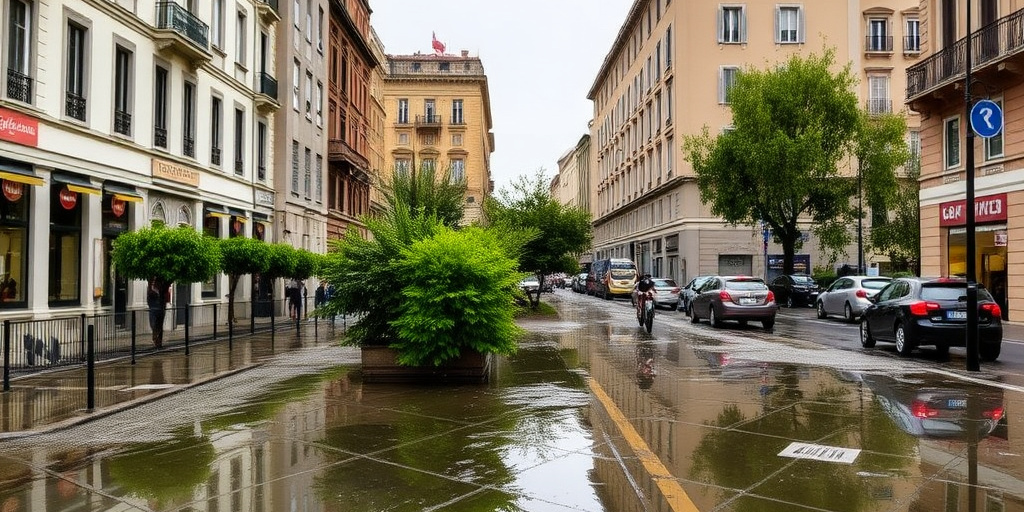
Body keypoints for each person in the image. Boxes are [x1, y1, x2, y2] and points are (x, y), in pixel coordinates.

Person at [147, 278, 167, 348]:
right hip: (153, 310)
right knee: (153, 325)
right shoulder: (150, 290)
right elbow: (149, 299)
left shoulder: (161, 290)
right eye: (153, 281)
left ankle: (158, 342)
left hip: (160, 310)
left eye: (155, 281)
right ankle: (156, 340)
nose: (154, 282)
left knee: (158, 327)